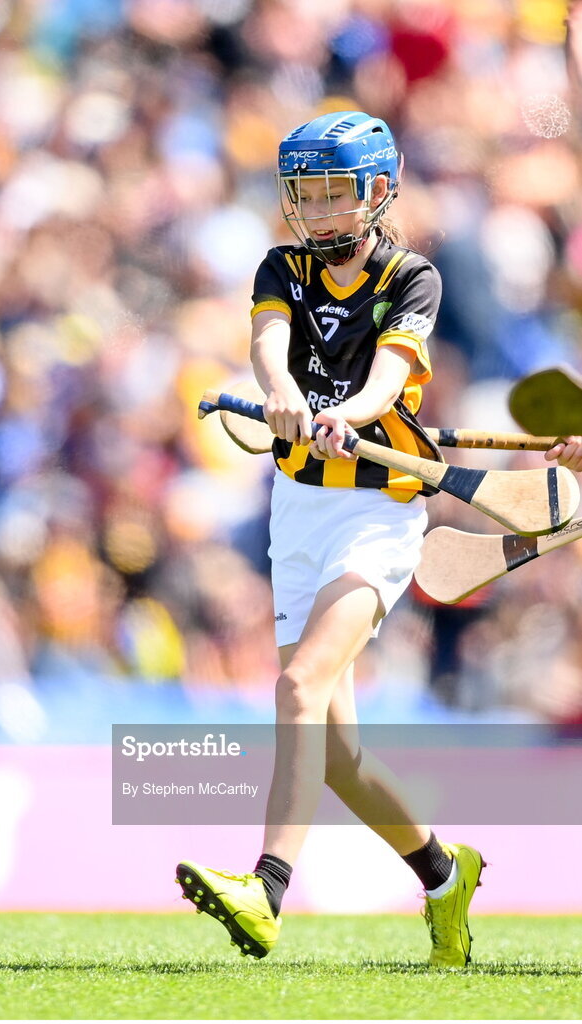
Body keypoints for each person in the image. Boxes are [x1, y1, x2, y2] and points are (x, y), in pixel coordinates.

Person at [175, 110, 582, 966]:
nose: (320, 212)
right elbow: (266, 342)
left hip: (379, 513)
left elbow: (389, 377)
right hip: (298, 511)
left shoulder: (412, 276)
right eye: (307, 195)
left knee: (296, 687)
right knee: (336, 757)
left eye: (336, 194)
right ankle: (443, 873)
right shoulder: (279, 267)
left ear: (376, 192)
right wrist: (284, 394)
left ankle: (265, 889)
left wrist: (344, 415)